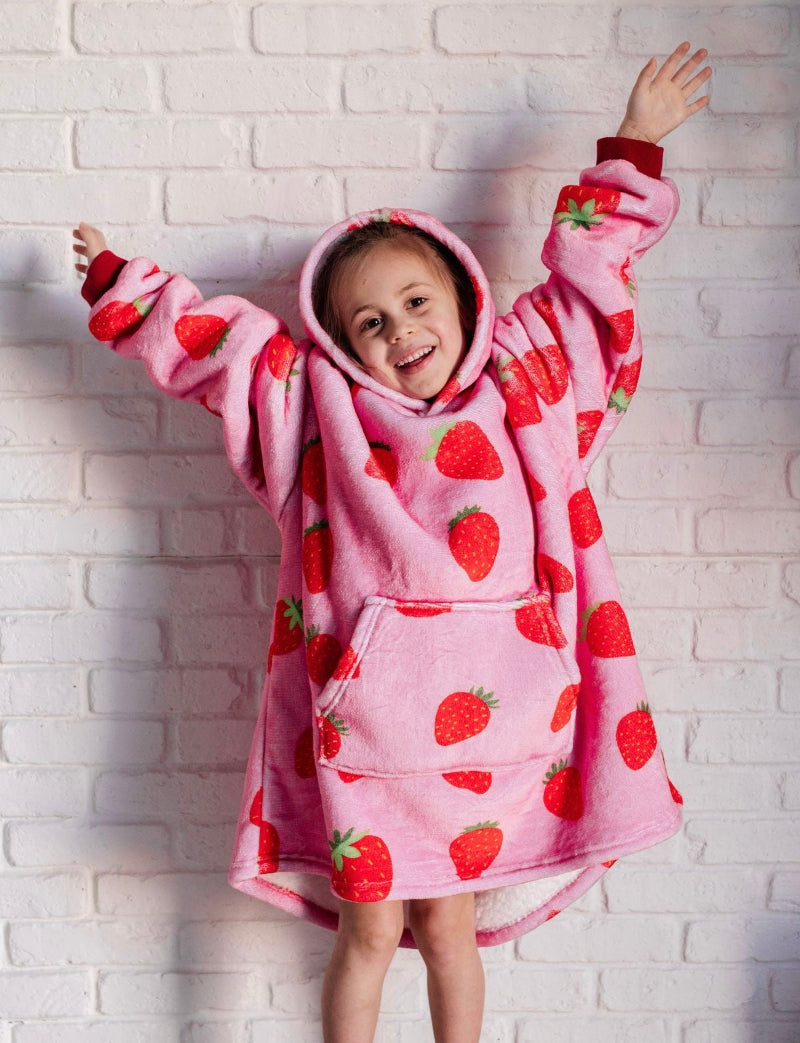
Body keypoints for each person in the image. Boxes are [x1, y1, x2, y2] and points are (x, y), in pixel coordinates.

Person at [74, 43, 712, 1043]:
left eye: (416, 302)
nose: (398, 329)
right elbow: (223, 354)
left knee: (452, 934)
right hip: (369, 735)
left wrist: (631, 143)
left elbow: (591, 278)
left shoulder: (526, 380)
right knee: (368, 935)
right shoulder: (317, 411)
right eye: (367, 320)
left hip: (500, 731)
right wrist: (129, 287)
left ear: (463, 300)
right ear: (338, 345)